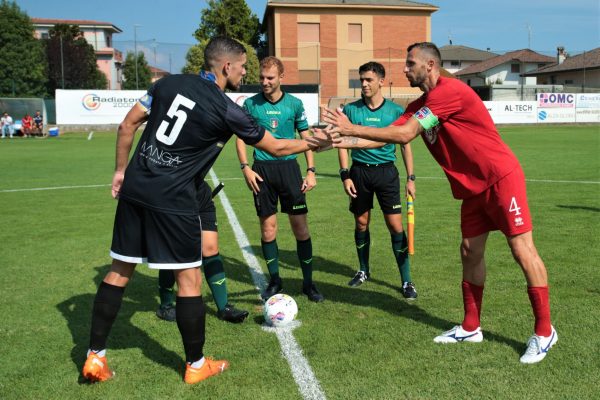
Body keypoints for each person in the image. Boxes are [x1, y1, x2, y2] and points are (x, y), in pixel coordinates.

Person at [81, 37, 318, 385]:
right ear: (226, 67)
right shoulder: (226, 108)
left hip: (135, 187)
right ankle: (195, 364)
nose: (244, 73)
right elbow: (279, 146)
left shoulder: (165, 84)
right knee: (189, 279)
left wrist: (120, 171)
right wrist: (319, 142)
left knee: (119, 271)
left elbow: (126, 125)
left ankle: (94, 357)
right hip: (174, 197)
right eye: (242, 67)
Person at [318, 42, 556, 364]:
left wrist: (350, 127)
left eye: (410, 63)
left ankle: (544, 332)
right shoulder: (421, 105)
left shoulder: (449, 92)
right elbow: (386, 133)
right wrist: (337, 139)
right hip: (472, 190)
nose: (405, 69)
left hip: (500, 179)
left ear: (430, 65)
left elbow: (404, 136)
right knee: (469, 252)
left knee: (521, 250)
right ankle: (471, 327)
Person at [235, 56, 323, 303]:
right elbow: (240, 137)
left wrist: (311, 171)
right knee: (268, 228)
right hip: (261, 171)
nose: (264, 82)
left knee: (300, 228)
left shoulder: (294, 104)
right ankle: (275, 280)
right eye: (262, 77)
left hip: (289, 170)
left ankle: (308, 283)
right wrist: (245, 168)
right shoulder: (251, 105)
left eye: (270, 78)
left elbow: (306, 138)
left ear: (281, 78)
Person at [338, 62, 417, 299]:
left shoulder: (394, 111)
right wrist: (345, 174)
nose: (364, 84)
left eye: (369, 80)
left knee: (395, 226)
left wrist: (410, 178)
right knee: (361, 223)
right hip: (359, 173)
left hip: (386, 174)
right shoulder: (351, 110)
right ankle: (363, 270)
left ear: (381, 81)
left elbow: (405, 145)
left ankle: (406, 281)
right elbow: (341, 144)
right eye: (361, 79)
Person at [156, 181, 249, 324]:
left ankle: (224, 308)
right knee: (174, 249)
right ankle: (165, 305)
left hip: (200, 193)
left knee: (210, 248)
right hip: (173, 193)